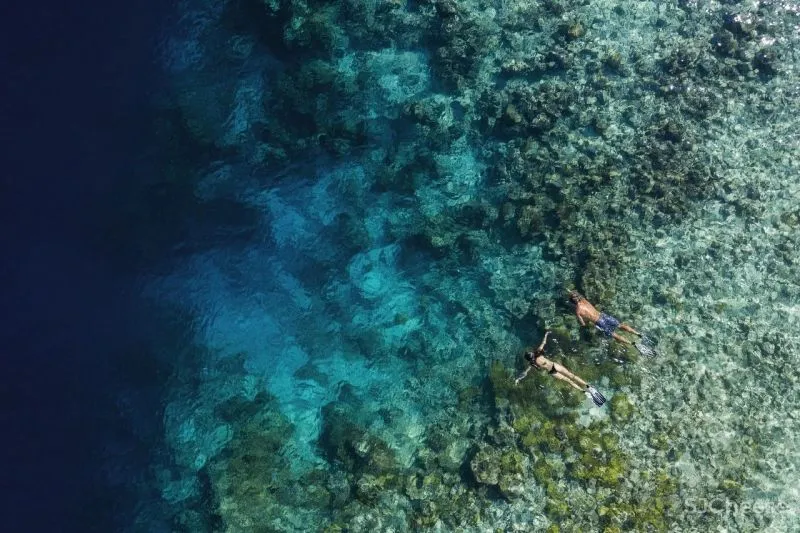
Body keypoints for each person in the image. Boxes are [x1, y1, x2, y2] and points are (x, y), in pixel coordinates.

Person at [514, 331, 607, 407]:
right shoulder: (537, 352)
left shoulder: (532, 363)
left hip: (551, 372)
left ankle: (584, 392)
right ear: (532, 354)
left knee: (568, 380)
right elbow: (543, 343)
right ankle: (588, 387)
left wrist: (518, 379)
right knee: (572, 376)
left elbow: (525, 372)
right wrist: (546, 334)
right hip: (554, 366)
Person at [568, 290, 654, 354]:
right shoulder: (584, 300)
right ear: (578, 296)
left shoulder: (578, 311)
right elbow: (576, 295)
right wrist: (572, 293)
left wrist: (586, 323)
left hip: (599, 322)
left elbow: (583, 324)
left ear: (572, 301)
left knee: (614, 334)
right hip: (603, 315)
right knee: (620, 325)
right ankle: (638, 334)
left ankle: (632, 344)